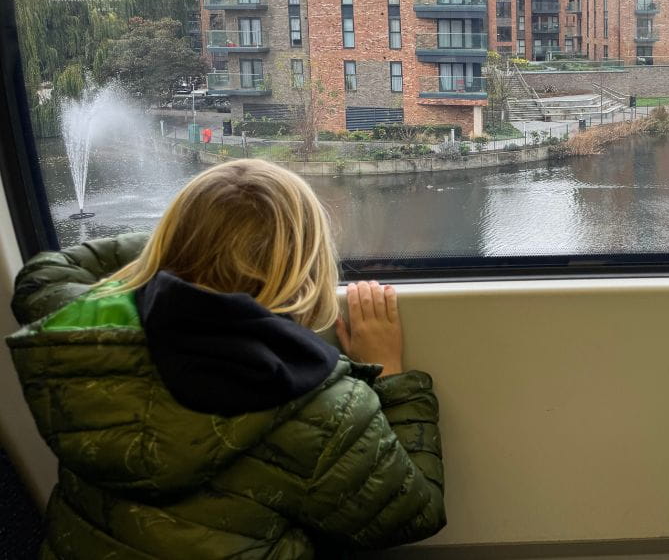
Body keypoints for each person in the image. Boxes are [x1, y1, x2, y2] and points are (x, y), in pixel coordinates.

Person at [7, 159, 446, 559]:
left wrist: (189, 246)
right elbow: (413, 513)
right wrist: (389, 373)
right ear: (308, 270)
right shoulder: (321, 409)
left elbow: (47, 272)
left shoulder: (80, 331)